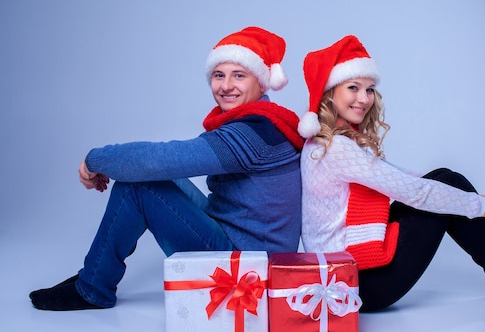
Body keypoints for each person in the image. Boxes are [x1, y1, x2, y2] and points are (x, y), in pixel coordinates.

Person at [29, 26, 304, 311]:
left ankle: (92, 287)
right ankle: (94, 274)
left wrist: (95, 159)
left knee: (142, 183)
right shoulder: (262, 123)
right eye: (219, 75)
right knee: (152, 177)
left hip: (247, 267)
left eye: (239, 76)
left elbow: (156, 160)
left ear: (261, 83)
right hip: (248, 246)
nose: (226, 86)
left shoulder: (251, 134)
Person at [297, 35, 485, 312]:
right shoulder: (335, 148)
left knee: (443, 178)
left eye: (370, 89)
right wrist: (480, 206)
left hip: (349, 270)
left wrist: (473, 200)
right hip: (352, 284)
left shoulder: (330, 142)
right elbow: (414, 192)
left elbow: (397, 176)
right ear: (330, 92)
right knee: (446, 186)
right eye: (354, 88)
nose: (364, 98)